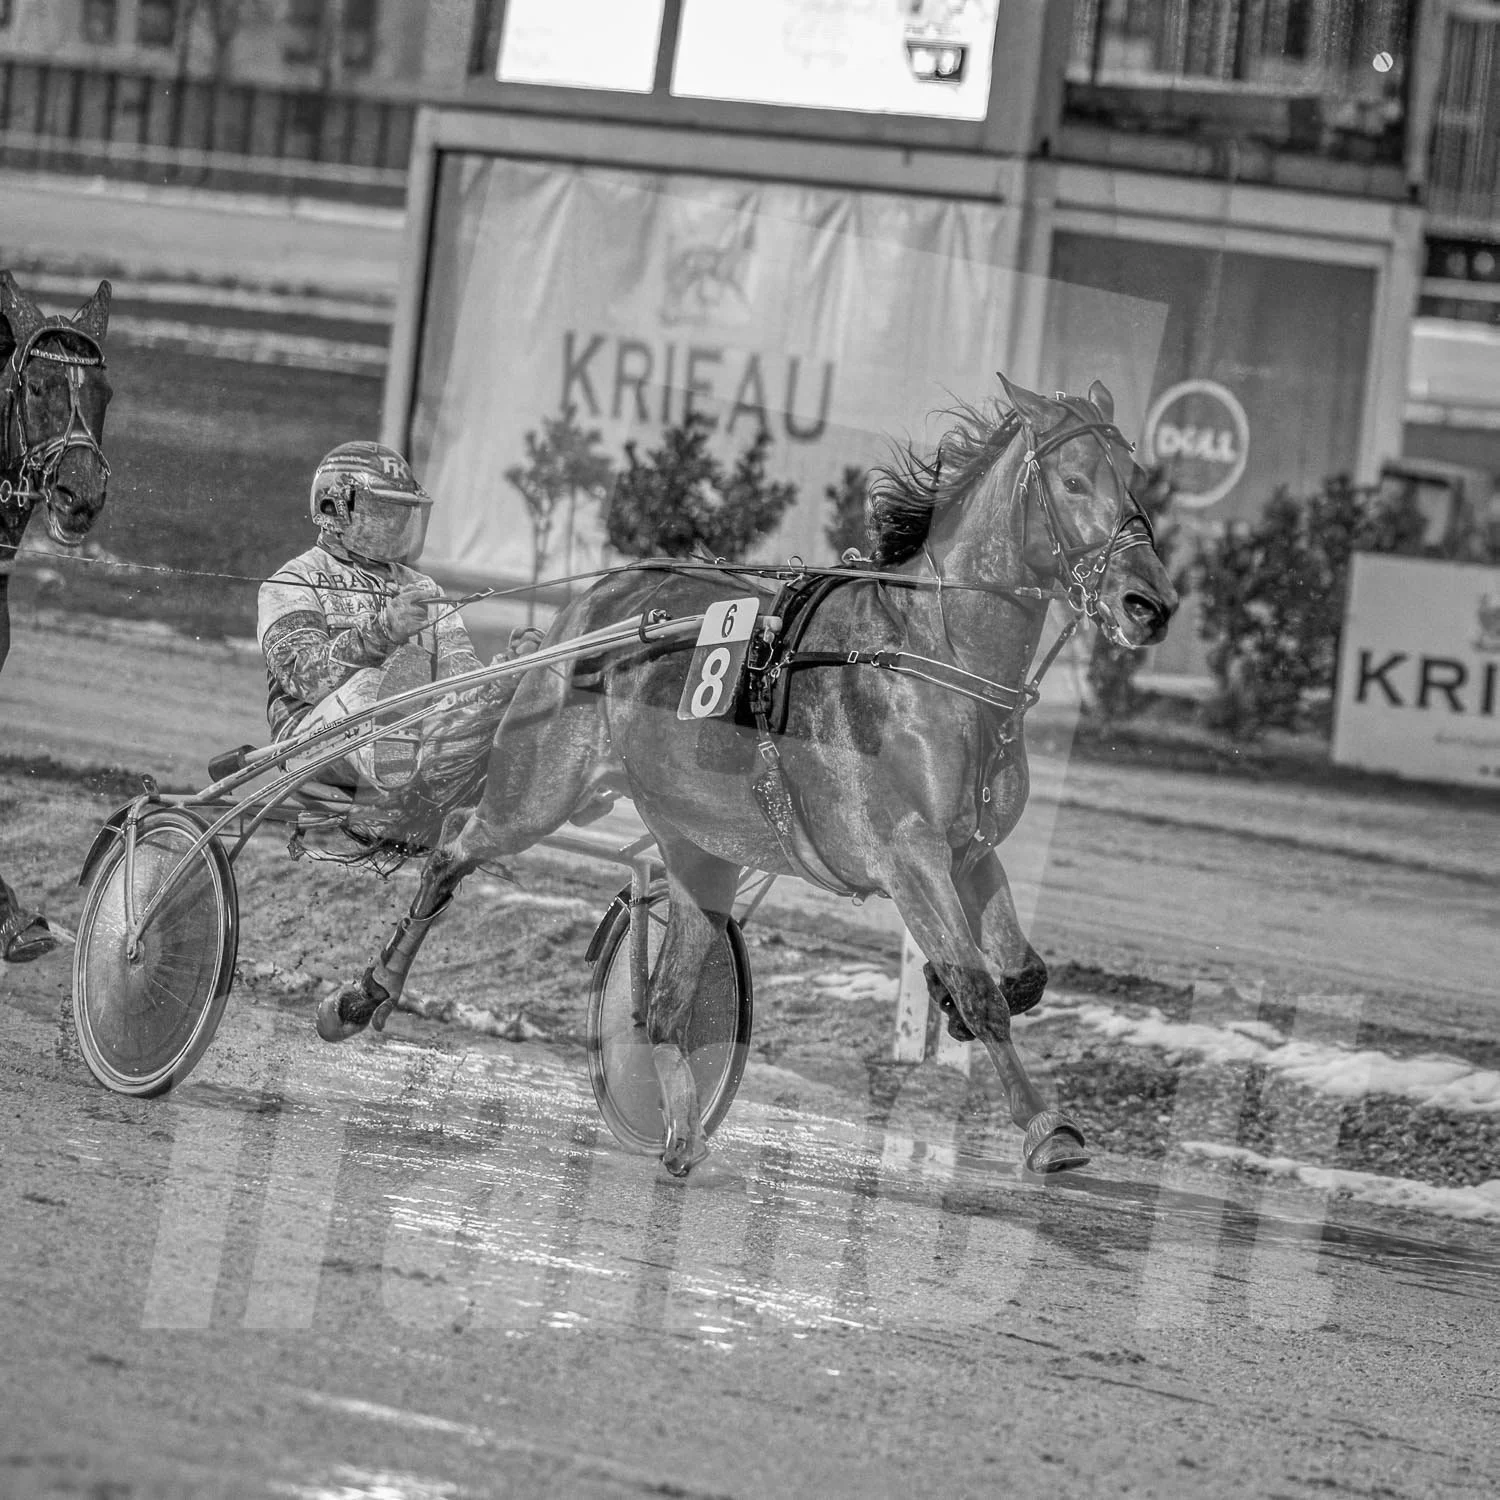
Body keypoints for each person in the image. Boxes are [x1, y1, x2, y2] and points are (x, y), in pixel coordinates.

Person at [257, 441, 538, 846]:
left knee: (510, 701)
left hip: (414, 730)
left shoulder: (423, 587)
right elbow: (303, 678)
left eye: (400, 513)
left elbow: (458, 682)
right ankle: (410, 787)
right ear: (336, 508)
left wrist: (508, 672)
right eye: (381, 511)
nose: (393, 525)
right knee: (374, 687)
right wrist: (384, 630)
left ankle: (549, 782)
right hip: (310, 744)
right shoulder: (293, 580)